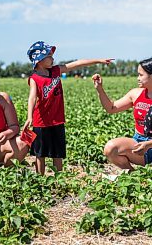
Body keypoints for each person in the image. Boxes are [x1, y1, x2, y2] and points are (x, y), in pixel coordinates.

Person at [23, 41, 113, 175]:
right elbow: (32, 98)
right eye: (49, 55)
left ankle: (58, 178)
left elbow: (78, 63)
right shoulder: (34, 78)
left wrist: (98, 61)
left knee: (57, 153)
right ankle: (39, 179)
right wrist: (29, 117)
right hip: (41, 122)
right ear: (39, 60)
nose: (53, 58)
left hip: (57, 120)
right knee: (40, 154)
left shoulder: (56, 71)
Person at [92, 57, 152, 170]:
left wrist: (149, 144)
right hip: (137, 142)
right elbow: (111, 108)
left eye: (140, 75)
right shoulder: (135, 94)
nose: (137, 78)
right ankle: (133, 174)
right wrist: (100, 90)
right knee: (110, 148)